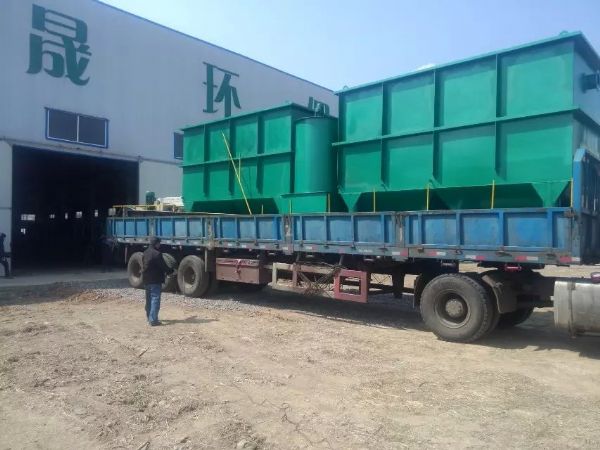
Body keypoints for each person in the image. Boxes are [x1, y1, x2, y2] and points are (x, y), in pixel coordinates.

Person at [142, 236, 173, 326]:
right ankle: (153, 320)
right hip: (155, 280)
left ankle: (149, 317)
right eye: (159, 243)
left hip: (146, 279)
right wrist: (171, 271)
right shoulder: (157, 254)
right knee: (155, 298)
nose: (160, 245)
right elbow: (163, 266)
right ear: (156, 244)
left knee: (148, 299)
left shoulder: (145, 252)